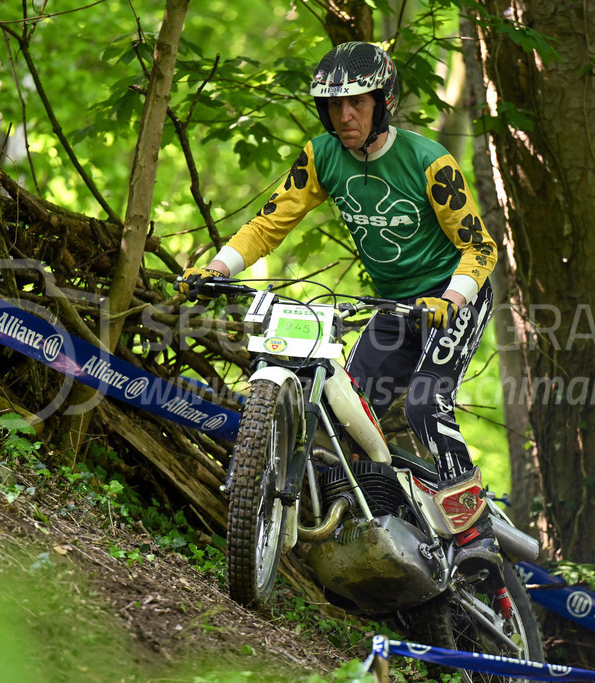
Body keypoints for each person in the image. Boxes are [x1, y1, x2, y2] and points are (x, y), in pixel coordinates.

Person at [176, 41, 502, 587]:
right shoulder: (323, 155)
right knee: (353, 414)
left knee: (425, 402)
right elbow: (268, 222)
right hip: (393, 307)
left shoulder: (428, 161)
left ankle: (476, 536)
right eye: (333, 105)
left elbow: (481, 249)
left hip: (453, 299)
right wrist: (219, 267)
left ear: (383, 102)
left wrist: (453, 298)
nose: (344, 116)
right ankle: (386, 524)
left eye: (357, 103)